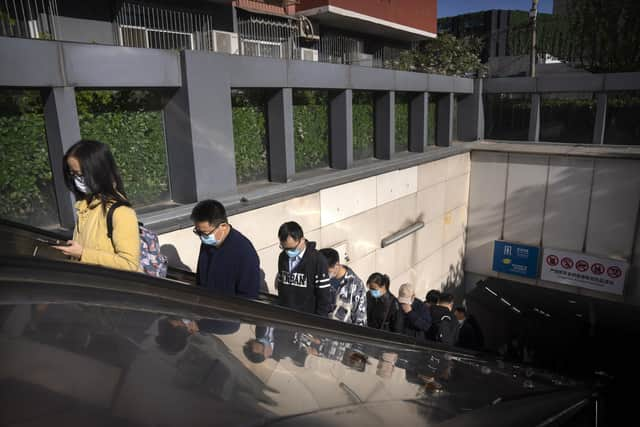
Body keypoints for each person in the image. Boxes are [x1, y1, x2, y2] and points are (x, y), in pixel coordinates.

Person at [53, 140, 140, 271]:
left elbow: (130, 264)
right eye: (72, 174)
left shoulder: (121, 212)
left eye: (80, 174)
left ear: (98, 172)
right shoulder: (85, 206)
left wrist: (83, 253)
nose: (76, 179)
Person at [191, 200, 260, 298]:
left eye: (205, 233)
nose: (202, 237)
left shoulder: (244, 253)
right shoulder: (207, 243)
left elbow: (248, 296)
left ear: (223, 226)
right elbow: (200, 280)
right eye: (198, 232)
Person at [276, 221, 332, 316]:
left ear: (302, 240)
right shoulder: (283, 257)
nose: (289, 252)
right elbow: (281, 288)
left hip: (307, 320)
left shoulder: (317, 260)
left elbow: (324, 297)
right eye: (285, 248)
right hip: (287, 317)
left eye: (292, 248)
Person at [318, 248, 367, 326]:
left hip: (342, 335)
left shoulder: (356, 285)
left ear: (336, 265)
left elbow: (360, 319)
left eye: (327, 271)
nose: (323, 274)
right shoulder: (318, 277)